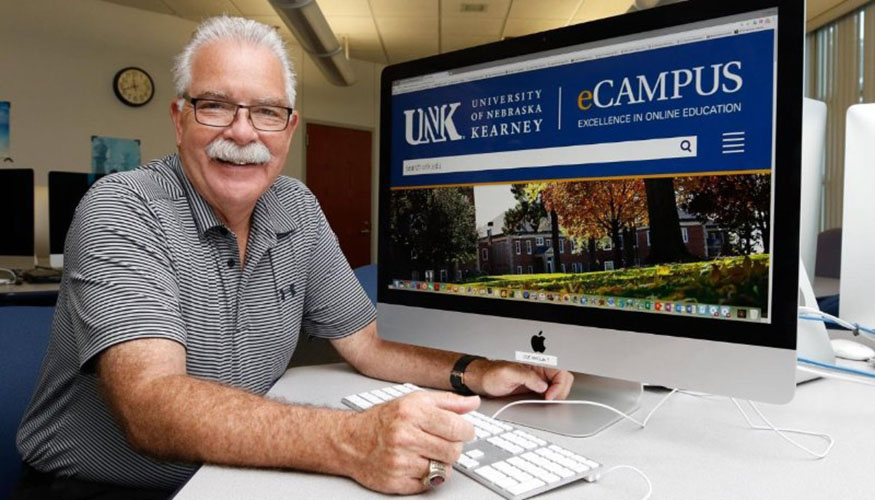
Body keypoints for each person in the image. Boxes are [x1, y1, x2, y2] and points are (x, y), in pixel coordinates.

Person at [15, 16, 573, 498]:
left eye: (265, 111)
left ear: (289, 127)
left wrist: (477, 371)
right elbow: (150, 405)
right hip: (104, 490)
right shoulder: (122, 208)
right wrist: (354, 440)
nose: (241, 132)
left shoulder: (295, 206)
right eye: (215, 106)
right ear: (179, 118)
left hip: (239, 470)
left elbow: (369, 346)